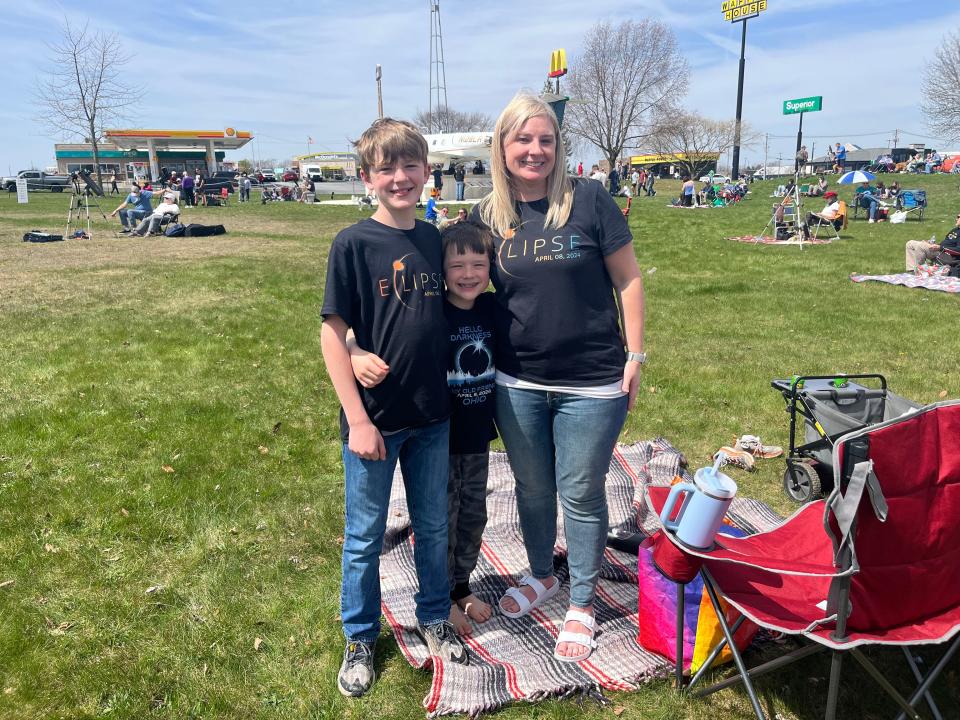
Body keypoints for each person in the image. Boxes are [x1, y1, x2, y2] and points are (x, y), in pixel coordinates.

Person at [470, 93, 645, 663]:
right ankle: (543, 573)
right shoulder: (486, 218)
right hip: (516, 381)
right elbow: (455, 283)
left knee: (580, 491)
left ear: (558, 146)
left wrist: (635, 357)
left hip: (593, 381)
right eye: (523, 140)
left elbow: (629, 282)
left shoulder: (590, 201)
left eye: (545, 140)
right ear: (503, 147)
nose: (535, 150)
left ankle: (583, 601)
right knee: (533, 488)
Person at [320, 118, 469, 698]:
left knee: (434, 526)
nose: (400, 177)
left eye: (411, 166)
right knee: (364, 535)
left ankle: (433, 617)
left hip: (433, 416)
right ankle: (359, 635)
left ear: (428, 173)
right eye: (386, 169)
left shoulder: (436, 240)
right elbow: (334, 332)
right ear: (367, 178)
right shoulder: (352, 243)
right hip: (375, 424)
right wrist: (357, 413)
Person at [348, 221, 498, 637]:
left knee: (473, 515)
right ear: (439, 271)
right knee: (440, 520)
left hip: (477, 437)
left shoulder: (491, 309)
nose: (468, 274)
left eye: (478, 264)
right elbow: (369, 321)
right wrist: (353, 349)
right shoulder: (433, 310)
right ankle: (443, 595)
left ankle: (462, 586)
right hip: (437, 434)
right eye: (457, 265)